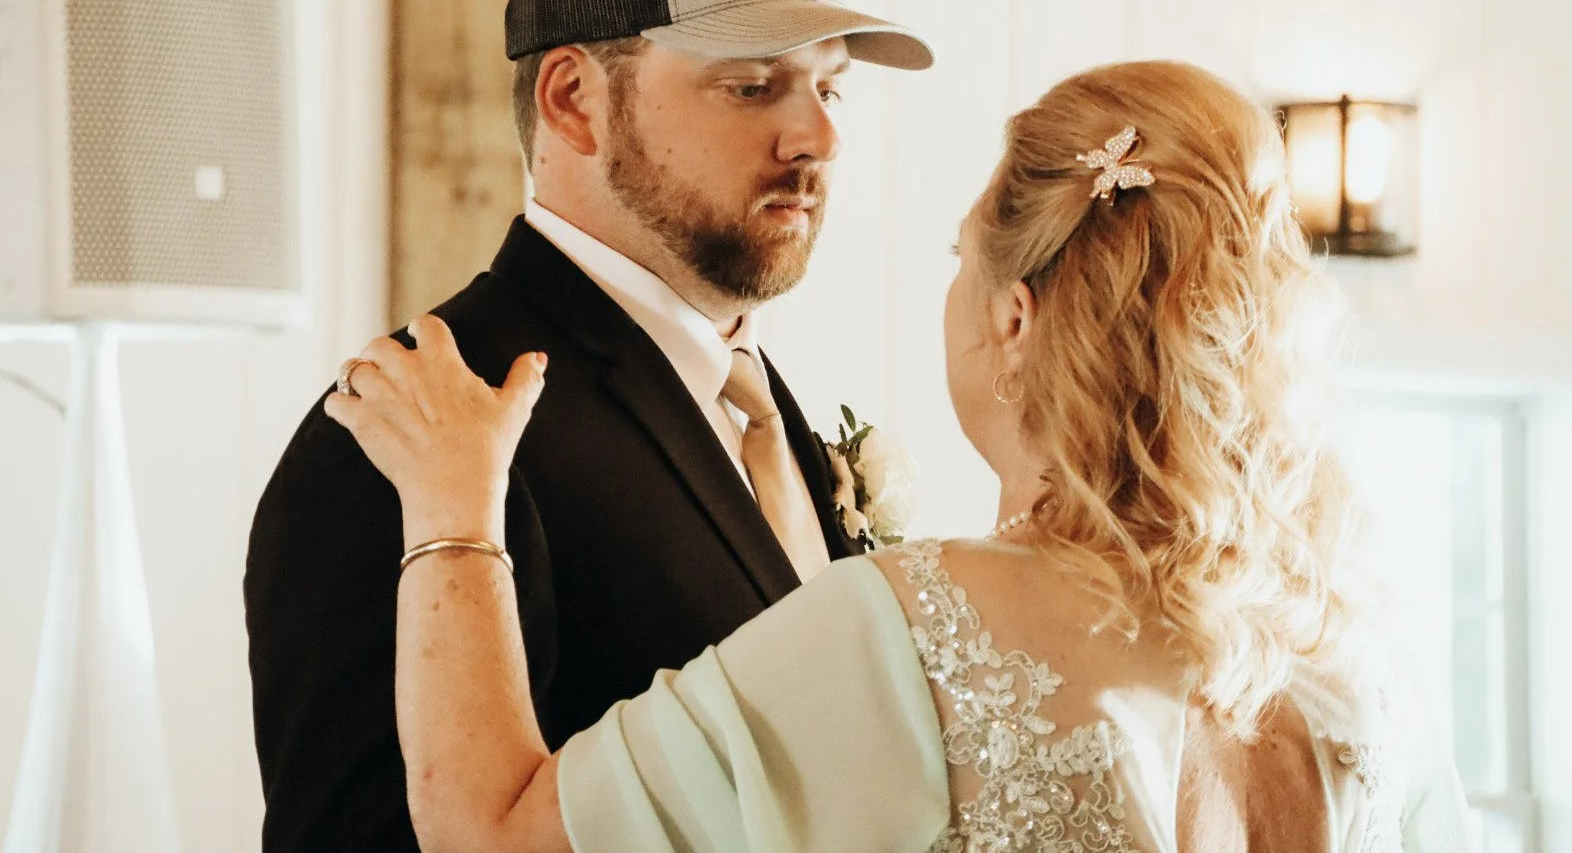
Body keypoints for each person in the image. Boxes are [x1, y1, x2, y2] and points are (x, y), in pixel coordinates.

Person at [329, 59, 1474, 852]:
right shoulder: (1359, 661)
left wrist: (452, 506)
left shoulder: (917, 632)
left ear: (1015, 319)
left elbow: (491, 833)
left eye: (959, 258)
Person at [243, 0, 933, 849]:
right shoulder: (409, 431)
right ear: (574, 101)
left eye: (831, 87)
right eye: (751, 85)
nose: (818, 135)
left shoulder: (759, 409)